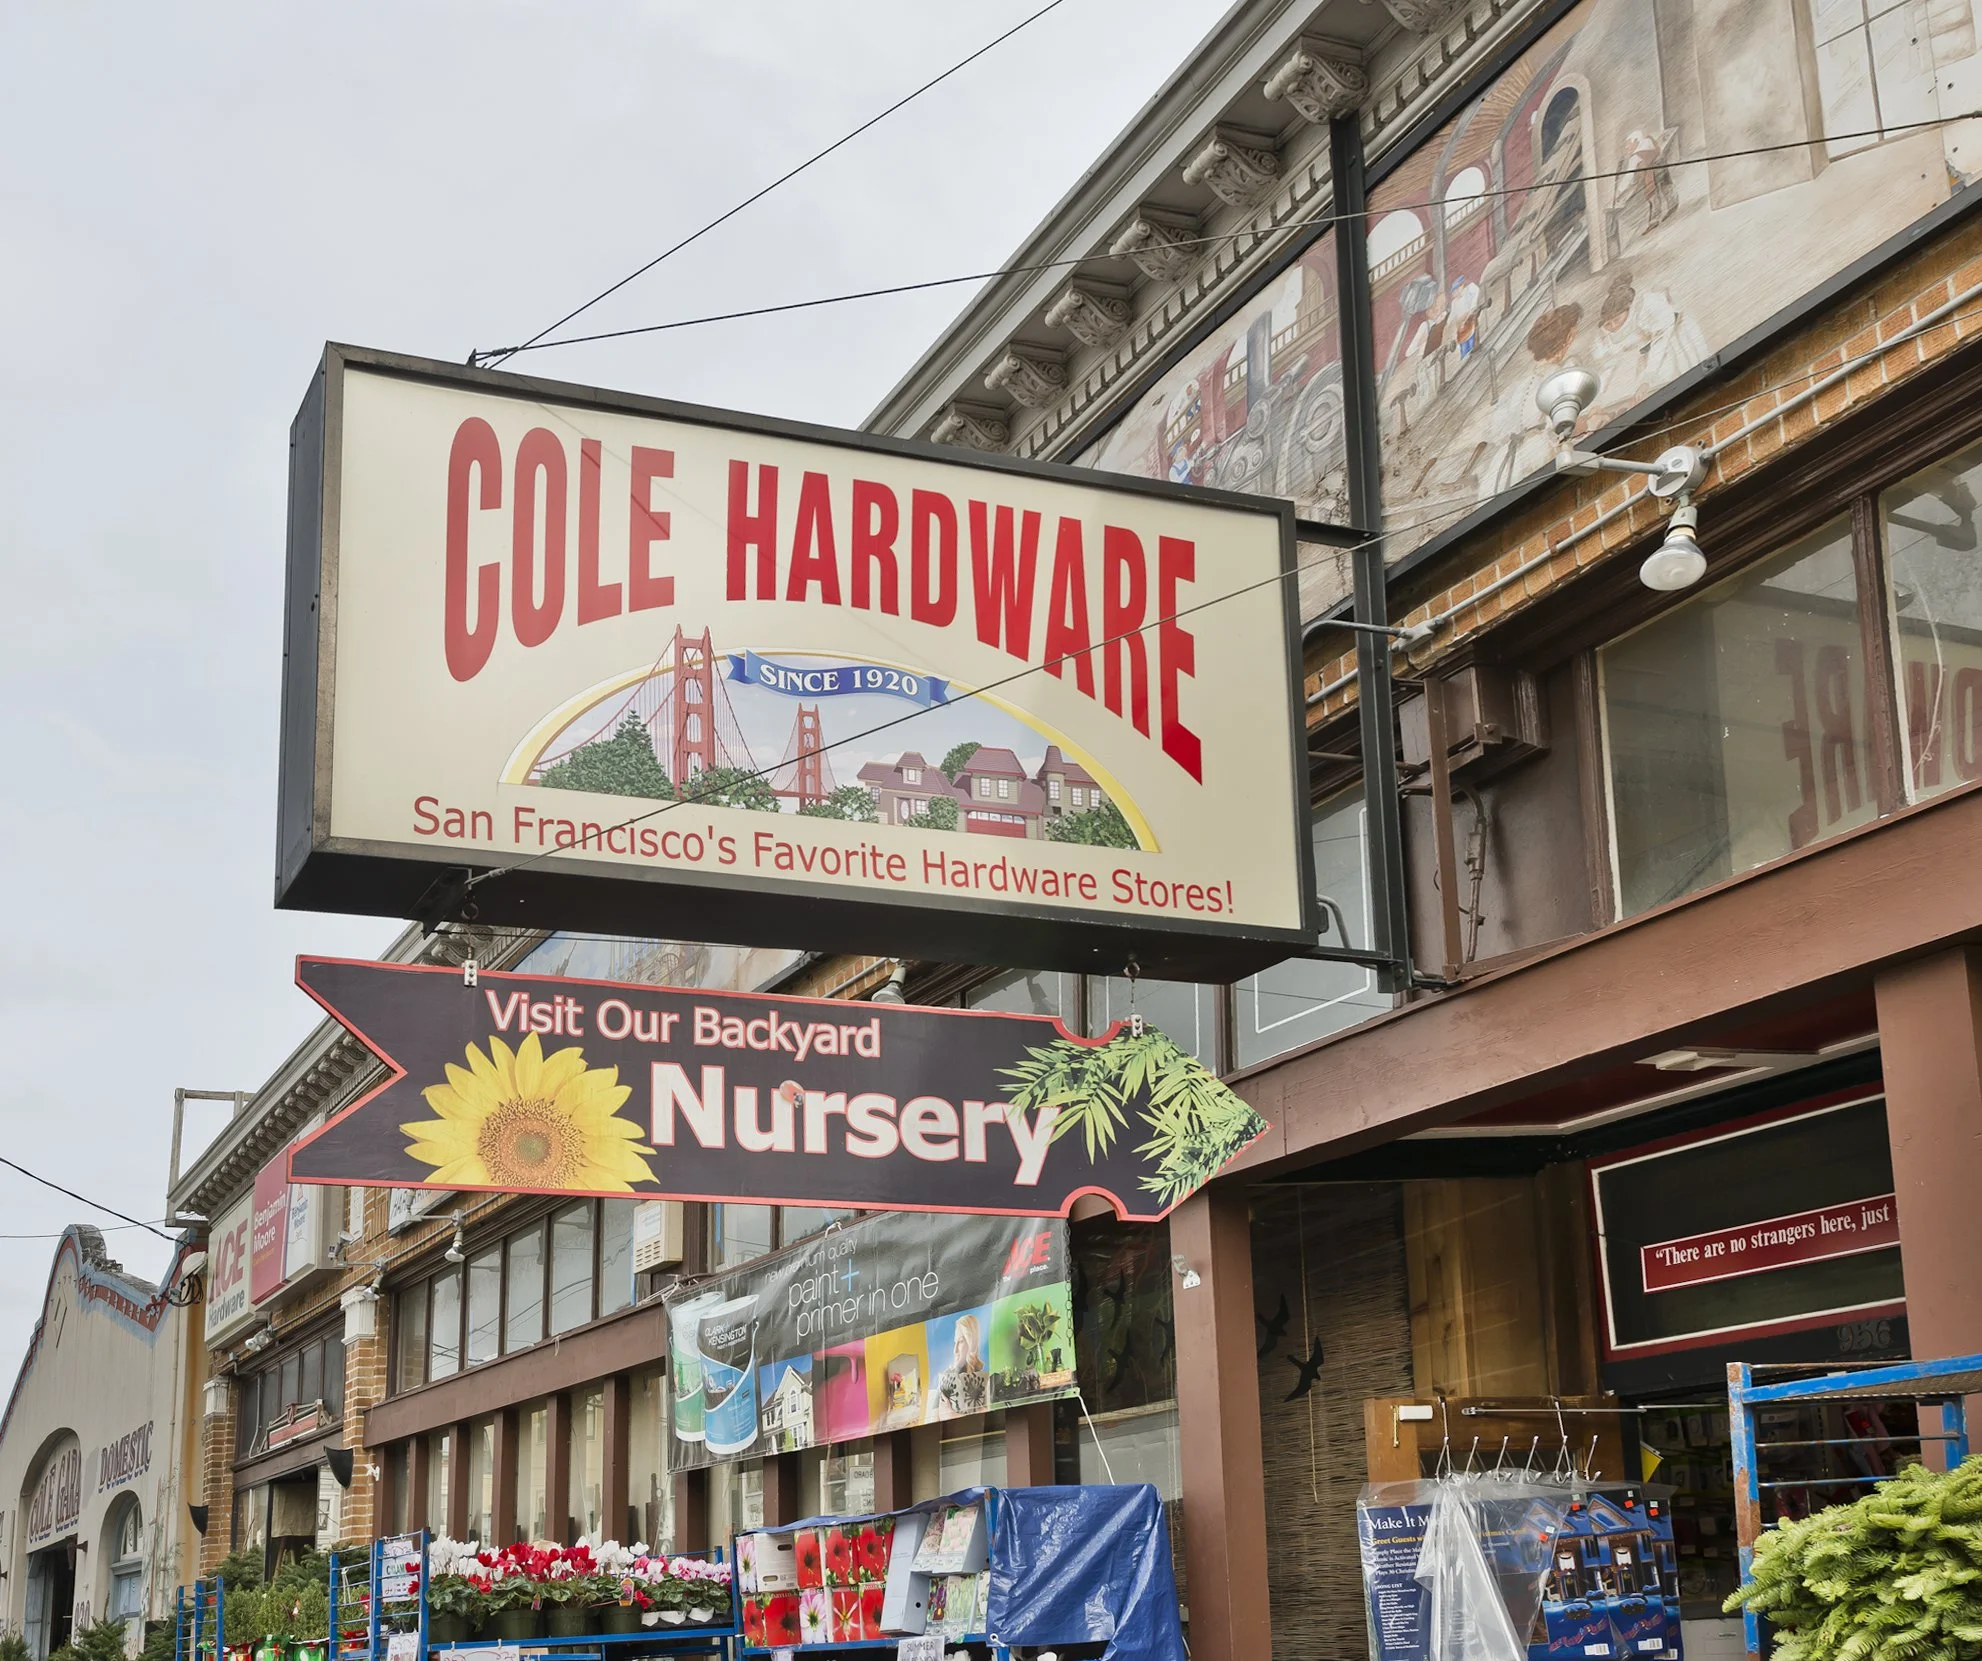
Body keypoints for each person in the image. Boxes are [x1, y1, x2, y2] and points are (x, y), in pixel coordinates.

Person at [935, 1314, 990, 1417]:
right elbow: (933, 1418)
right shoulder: (946, 1378)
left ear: (971, 1342)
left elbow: (990, 1417)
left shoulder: (985, 1379)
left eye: (960, 1342)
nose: (955, 1350)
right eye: (954, 1343)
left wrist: (952, 1415)